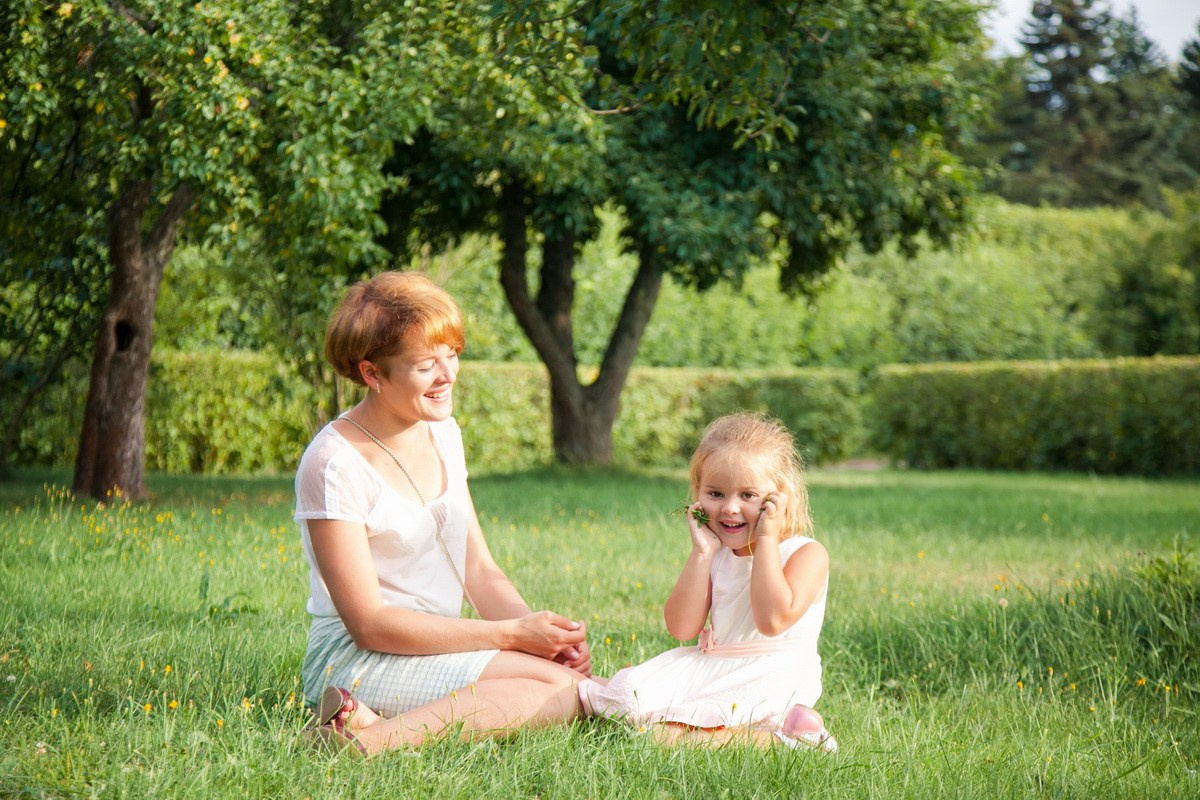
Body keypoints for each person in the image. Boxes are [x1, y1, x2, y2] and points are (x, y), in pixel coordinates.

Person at [294, 271, 591, 756]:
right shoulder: (332, 464)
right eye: (426, 364)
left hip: (440, 643)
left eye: (451, 355)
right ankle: (373, 743)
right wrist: (512, 636)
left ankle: (359, 719)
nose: (447, 374)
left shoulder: (443, 433)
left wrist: (545, 636)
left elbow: (478, 568)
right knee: (567, 693)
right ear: (372, 374)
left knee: (561, 677)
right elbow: (368, 623)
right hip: (356, 655)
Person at [576, 411, 837, 751]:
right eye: (715, 494)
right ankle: (741, 734)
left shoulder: (805, 554)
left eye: (747, 495)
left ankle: (790, 738)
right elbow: (682, 628)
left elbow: (772, 620)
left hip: (770, 674)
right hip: (715, 666)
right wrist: (701, 554)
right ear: (698, 494)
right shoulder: (715, 554)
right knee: (627, 704)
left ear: (779, 497)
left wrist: (767, 540)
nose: (729, 508)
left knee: (654, 732)